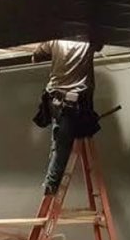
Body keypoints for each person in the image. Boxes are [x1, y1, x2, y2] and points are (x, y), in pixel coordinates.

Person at [32, 40, 104, 195]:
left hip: (54, 98)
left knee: (59, 143)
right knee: (62, 146)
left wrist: (55, 54)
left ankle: (51, 183)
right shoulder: (88, 39)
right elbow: (99, 45)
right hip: (73, 102)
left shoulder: (56, 39)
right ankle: (51, 185)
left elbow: (35, 56)